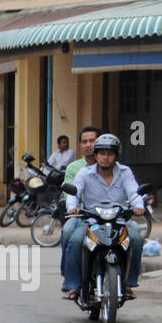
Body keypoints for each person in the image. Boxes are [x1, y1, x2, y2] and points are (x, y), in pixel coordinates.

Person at [61, 133, 145, 300]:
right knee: (76, 241)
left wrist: (139, 206)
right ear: (96, 155)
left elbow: (134, 193)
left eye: (110, 154)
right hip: (92, 221)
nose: (105, 158)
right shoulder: (85, 173)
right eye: (102, 153)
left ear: (115, 156)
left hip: (119, 220)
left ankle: (129, 284)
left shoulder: (124, 172)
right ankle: (73, 285)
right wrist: (72, 208)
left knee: (136, 238)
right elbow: (74, 193)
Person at [59, 126, 102, 275]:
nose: (89, 144)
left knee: (133, 236)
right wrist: (73, 208)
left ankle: (126, 282)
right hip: (83, 215)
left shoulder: (113, 166)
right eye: (85, 142)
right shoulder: (74, 168)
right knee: (68, 231)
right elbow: (70, 193)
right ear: (80, 145)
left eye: (92, 141)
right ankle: (70, 278)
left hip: (109, 215)